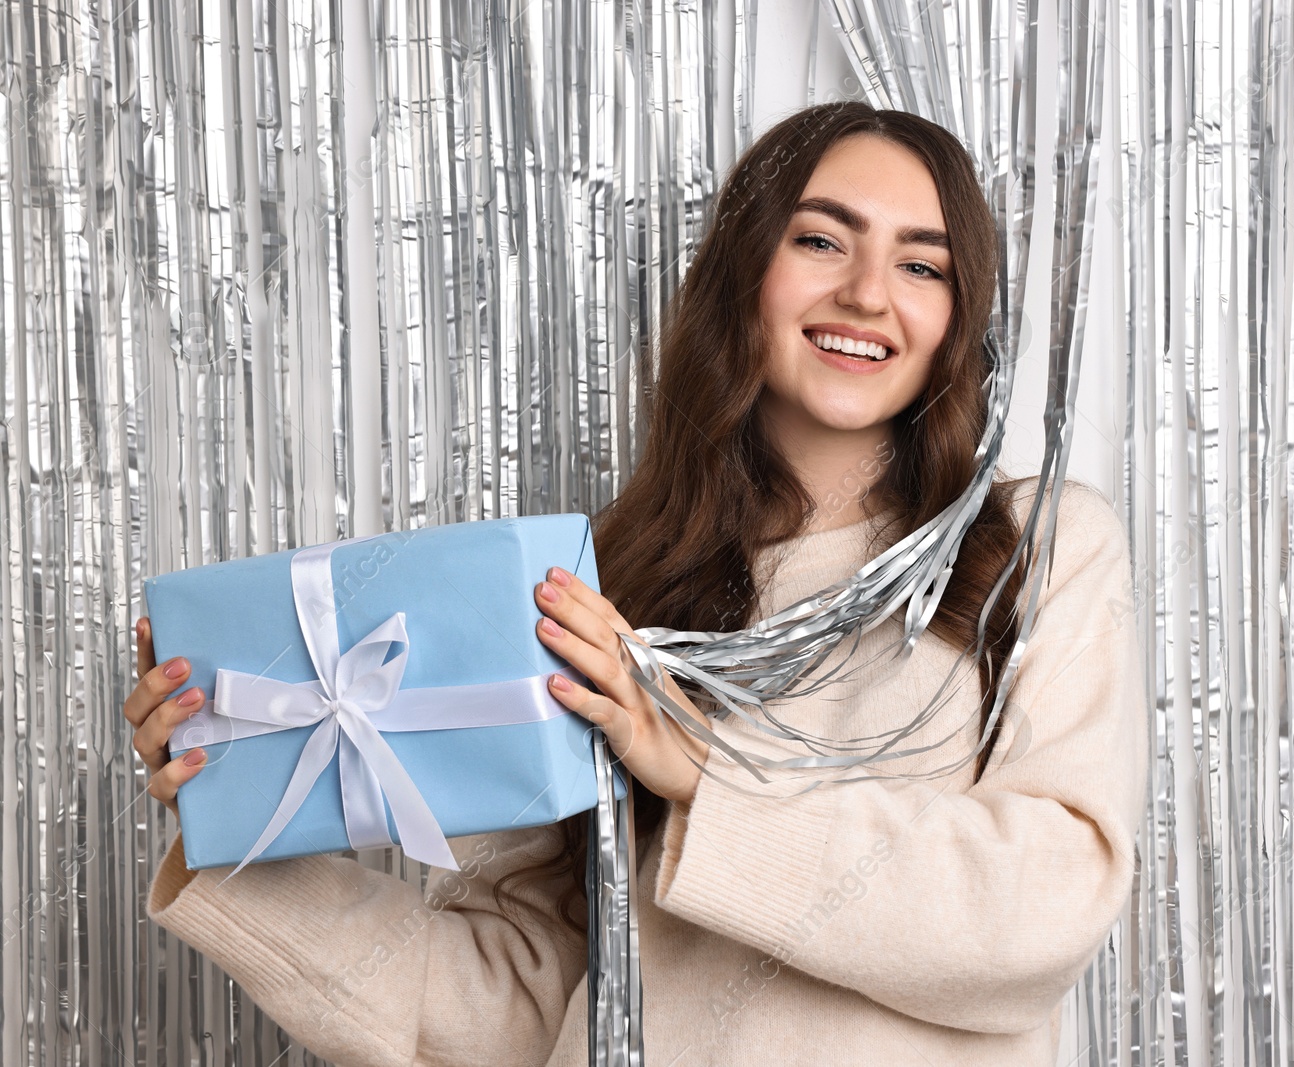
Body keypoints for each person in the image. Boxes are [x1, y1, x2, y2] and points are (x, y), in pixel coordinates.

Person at [124, 101, 1148, 1066]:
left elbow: (1045, 902)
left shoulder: (1037, 545)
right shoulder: (597, 583)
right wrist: (234, 828)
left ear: (958, 317)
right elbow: (517, 1001)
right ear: (743, 272)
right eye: (820, 240)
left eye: (921, 264)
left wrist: (702, 769)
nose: (868, 293)